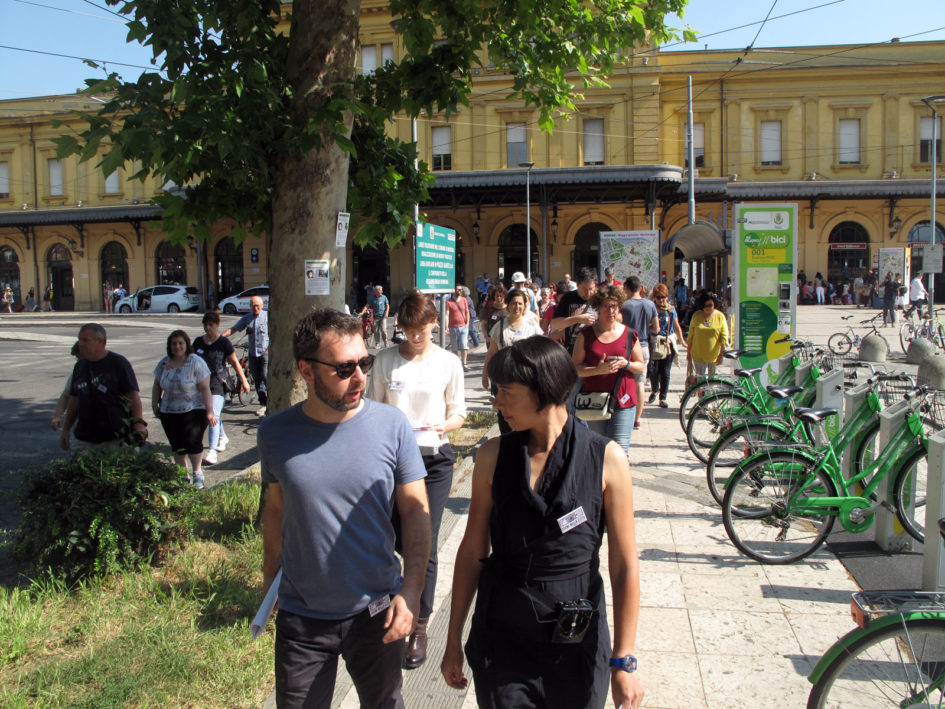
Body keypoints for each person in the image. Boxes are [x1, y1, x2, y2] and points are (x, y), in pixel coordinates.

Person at [440, 336, 644, 709]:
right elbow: (472, 552)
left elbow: (625, 563)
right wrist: (452, 636)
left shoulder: (607, 459)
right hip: (503, 635)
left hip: (576, 640)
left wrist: (623, 659)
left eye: (506, 391)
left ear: (544, 390)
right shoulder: (492, 456)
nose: (496, 402)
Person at [259, 308, 431, 708]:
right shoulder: (275, 433)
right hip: (302, 618)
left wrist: (412, 591)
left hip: (377, 613)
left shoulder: (392, 426)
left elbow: (416, 512)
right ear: (306, 371)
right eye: (344, 368)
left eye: (364, 363)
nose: (359, 378)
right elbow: (275, 510)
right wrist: (270, 581)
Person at [367, 292, 466, 669]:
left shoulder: (448, 363)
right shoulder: (386, 361)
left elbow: (458, 411)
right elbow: (373, 409)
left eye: (421, 330)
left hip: (432, 459)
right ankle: (388, 605)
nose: (414, 337)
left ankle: (419, 624)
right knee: (388, 536)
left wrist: (444, 425)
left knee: (424, 542)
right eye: (407, 331)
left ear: (434, 326)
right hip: (391, 461)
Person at [572, 285, 645, 454]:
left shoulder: (629, 334)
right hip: (595, 401)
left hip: (623, 399)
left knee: (619, 450)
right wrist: (598, 370)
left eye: (614, 306)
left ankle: (619, 481)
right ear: (598, 307)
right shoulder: (586, 335)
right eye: (606, 306)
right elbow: (574, 368)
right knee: (599, 449)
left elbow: (640, 366)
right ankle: (602, 480)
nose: (611, 310)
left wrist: (625, 364)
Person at [58, 323, 148, 451]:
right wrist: (66, 430)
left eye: (85, 340)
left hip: (115, 438)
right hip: (85, 439)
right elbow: (74, 400)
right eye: (79, 339)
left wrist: (138, 423)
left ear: (100, 342)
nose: (80, 344)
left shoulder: (118, 363)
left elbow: (132, 396)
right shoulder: (80, 366)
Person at [152, 330, 217, 489]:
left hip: (194, 410)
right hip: (169, 411)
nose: (177, 346)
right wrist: (155, 404)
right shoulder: (164, 363)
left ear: (186, 345)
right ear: (170, 346)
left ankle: (197, 473)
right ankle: (183, 475)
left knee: (193, 442)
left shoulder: (196, 362)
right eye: (174, 344)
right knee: (177, 445)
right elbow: (157, 385)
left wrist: (210, 411)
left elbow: (205, 388)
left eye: (180, 343)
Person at [482, 288, 544, 433]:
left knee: (526, 413)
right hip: (503, 380)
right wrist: (485, 375)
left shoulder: (532, 326)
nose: (517, 307)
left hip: (526, 380)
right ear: (508, 305)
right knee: (505, 415)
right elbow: (492, 353)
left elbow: (541, 352)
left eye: (520, 304)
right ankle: (507, 445)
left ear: (525, 306)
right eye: (514, 303)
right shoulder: (500, 326)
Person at [193, 311, 250, 465]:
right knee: (211, 414)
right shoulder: (198, 342)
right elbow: (190, 362)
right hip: (201, 385)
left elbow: (234, 362)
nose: (207, 328)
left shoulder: (224, 343)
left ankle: (212, 451)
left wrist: (244, 381)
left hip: (217, 383)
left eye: (211, 325)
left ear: (217, 325)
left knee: (213, 415)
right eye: (205, 324)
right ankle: (223, 436)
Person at [620, 276, 659, 430]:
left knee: (624, 381)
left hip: (626, 345)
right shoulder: (650, 305)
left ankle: (624, 411)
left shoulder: (624, 305)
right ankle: (637, 419)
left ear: (627, 288)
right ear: (640, 288)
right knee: (640, 383)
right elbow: (656, 329)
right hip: (643, 346)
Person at [222, 295, 269, 417]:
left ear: (262, 305)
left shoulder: (268, 317)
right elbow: (234, 329)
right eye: (253, 305)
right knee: (257, 378)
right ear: (250, 306)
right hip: (253, 353)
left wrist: (270, 348)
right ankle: (264, 403)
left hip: (265, 352)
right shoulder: (247, 318)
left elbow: (275, 332)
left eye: (257, 305)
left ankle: (272, 401)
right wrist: (220, 337)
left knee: (265, 376)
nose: (255, 308)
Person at [647, 283, 687, 408]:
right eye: (658, 297)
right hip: (654, 342)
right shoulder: (651, 309)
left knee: (665, 372)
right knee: (653, 370)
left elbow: (676, 326)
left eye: (663, 297)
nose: (661, 300)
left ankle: (663, 398)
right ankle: (655, 390)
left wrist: (682, 341)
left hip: (667, 342)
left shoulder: (671, 310)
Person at [550, 266, 597, 354]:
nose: (588, 293)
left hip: (594, 347)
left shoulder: (600, 298)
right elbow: (555, 323)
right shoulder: (568, 298)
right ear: (577, 285)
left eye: (591, 289)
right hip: (573, 349)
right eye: (584, 289)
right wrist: (578, 319)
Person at [686, 293, 730, 377]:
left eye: (710, 305)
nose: (708, 307)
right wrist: (688, 353)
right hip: (698, 355)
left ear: (714, 304)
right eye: (705, 305)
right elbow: (691, 336)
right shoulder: (696, 316)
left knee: (712, 382)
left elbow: (724, 337)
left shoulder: (720, 316)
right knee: (700, 382)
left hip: (714, 356)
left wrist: (721, 355)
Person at [445, 285, 471, 371]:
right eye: (457, 290)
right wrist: (446, 327)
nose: (459, 291)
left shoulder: (464, 300)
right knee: (454, 348)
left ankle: (464, 364)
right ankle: (457, 364)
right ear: (454, 291)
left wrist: (467, 324)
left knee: (464, 346)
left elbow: (467, 312)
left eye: (460, 290)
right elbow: (446, 315)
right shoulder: (448, 302)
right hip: (453, 327)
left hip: (463, 327)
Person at [480, 283, 508, 349]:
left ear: (504, 296)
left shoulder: (509, 309)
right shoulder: (489, 309)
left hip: (507, 340)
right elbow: (483, 324)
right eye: (497, 296)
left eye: (501, 296)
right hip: (492, 340)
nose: (499, 298)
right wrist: (486, 336)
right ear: (494, 297)